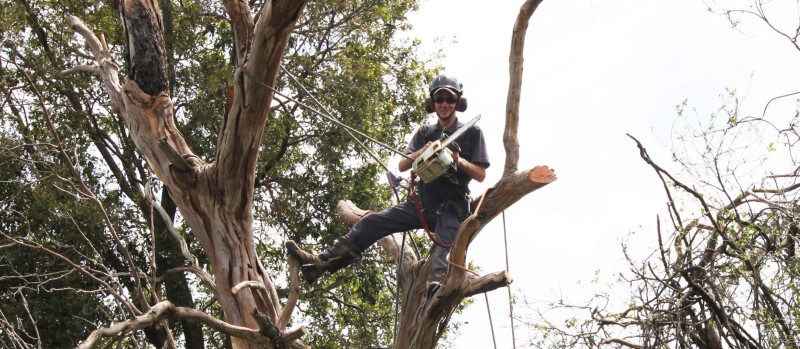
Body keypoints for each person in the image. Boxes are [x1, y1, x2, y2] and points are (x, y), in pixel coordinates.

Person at [286, 73, 490, 296]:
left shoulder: (471, 132)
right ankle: (322, 263)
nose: (444, 104)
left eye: (449, 100)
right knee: (372, 222)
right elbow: (403, 165)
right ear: (432, 103)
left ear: (458, 103)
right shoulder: (425, 133)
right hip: (421, 205)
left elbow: (480, 174)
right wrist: (422, 152)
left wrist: (458, 160)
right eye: (439, 99)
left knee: (445, 246)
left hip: (452, 205)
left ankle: (438, 287)